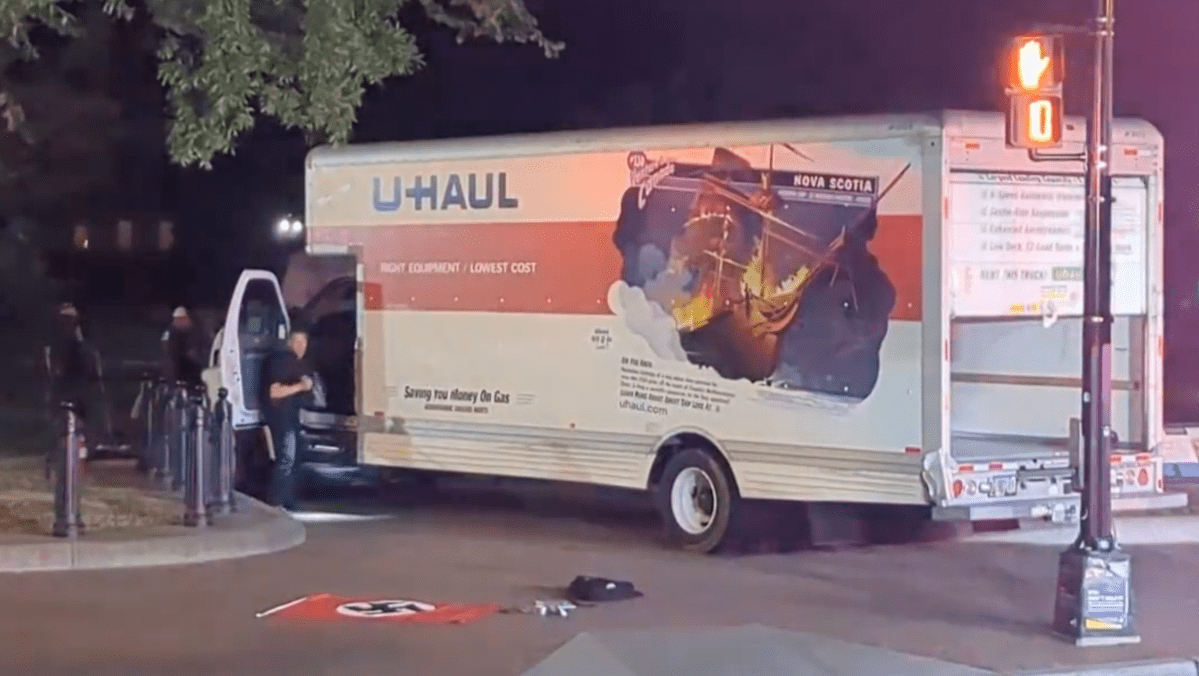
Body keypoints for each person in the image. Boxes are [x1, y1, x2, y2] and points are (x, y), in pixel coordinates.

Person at [264, 323, 314, 511]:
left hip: (292, 418)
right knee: (286, 459)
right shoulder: (282, 361)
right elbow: (275, 392)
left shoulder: (297, 363)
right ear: (289, 343)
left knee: (292, 459)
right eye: (297, 342)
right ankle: (277, 501)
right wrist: (301, 386)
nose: (301, 347)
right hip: (281, 418)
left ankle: (287, 500)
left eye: (304, 343)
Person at [44, 302, 95, 462]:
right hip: (63, 387)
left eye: (70, 319)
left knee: (79, 421)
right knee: (59, 422)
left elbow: (87, 366)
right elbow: (54, 366)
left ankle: (80, 449)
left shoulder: (80, 341)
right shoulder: (57, 340)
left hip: (77, 388)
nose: (67, 322)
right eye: (65, 318)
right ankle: (57, 452)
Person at [162, 306, 205, 387]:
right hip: (176, 366)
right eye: (178, 319)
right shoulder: (170, 333)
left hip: (193, 367)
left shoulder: (194, 330)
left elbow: (202, 343)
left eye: (183, 319)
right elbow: (168, 351)